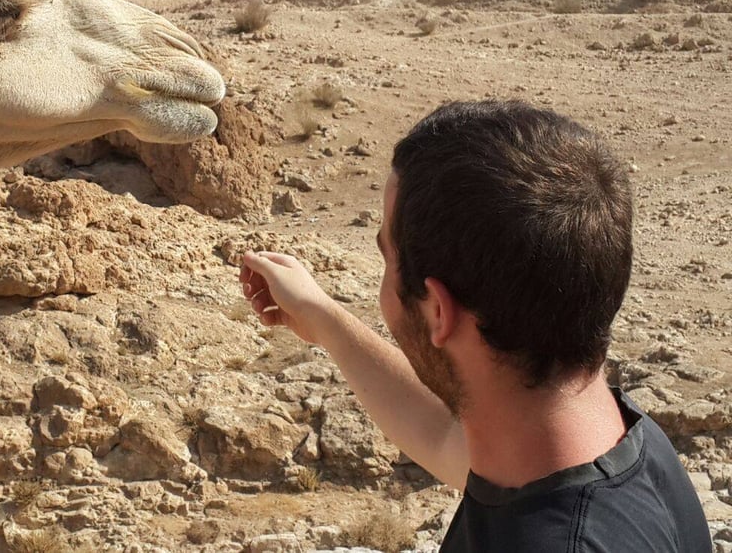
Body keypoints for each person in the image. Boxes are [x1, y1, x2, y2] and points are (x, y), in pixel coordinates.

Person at [240, 100, 710, 551]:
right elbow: (443, 435)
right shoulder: (618, 446)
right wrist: (323, 318)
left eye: (387, 257)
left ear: (439, 311)